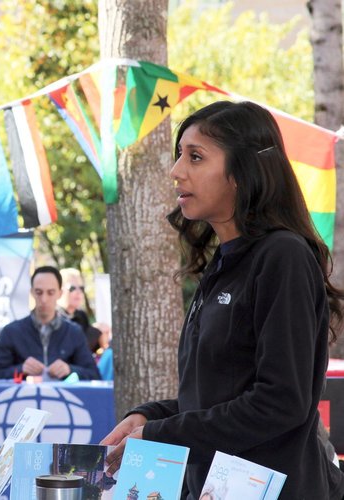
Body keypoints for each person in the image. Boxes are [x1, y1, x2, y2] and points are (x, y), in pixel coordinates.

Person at [100, 101, 344, 499]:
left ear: (242, 172)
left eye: (196, 157)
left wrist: (163, 433)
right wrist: (152, 415)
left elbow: (281, 401)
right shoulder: (224, 263)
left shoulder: (282, 256)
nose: (177, 171)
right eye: (180, 155)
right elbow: (218, 395)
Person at [0, 265, 100, 381]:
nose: (44, 299)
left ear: (60, 293)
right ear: (32, 292)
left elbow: (94, 375)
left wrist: (70, 370)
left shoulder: (74, 332)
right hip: (24, 398)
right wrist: (21, 369)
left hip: (63, 398)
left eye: (50, 292)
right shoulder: (11, 332)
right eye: (39, 292)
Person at [58, 267, 102, 352]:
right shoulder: (54, 317)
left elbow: (91, 348)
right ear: (60, 290)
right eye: (72, 288)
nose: (78, 292)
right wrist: (95, 331)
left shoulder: (81, 315)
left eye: (81, 288)